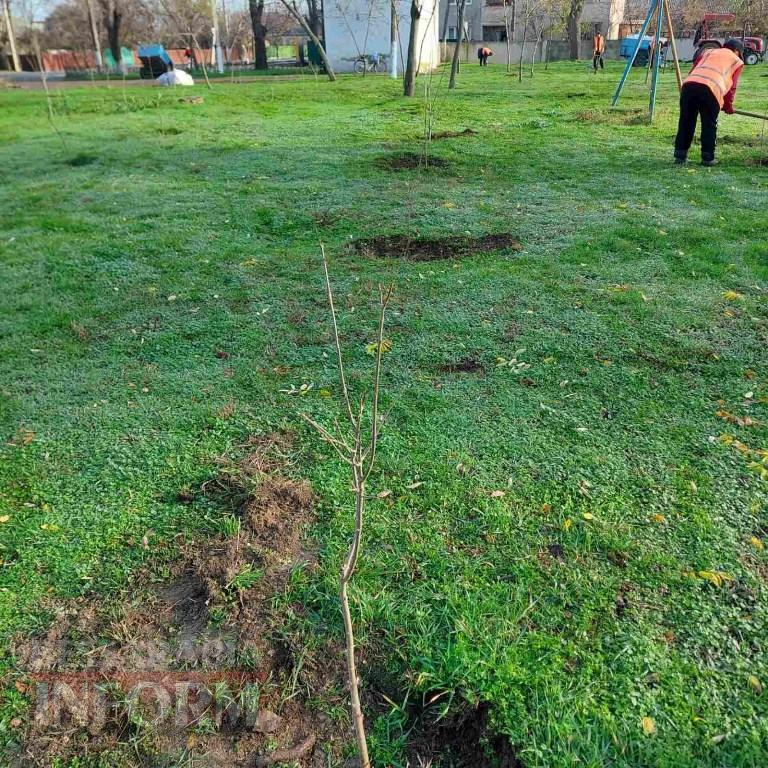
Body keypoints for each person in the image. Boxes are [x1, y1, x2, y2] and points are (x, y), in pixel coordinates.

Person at [673, 39, 744, 167]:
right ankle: (707, 158)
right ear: (737, 51)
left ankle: (680, 155)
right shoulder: (736, 60)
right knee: (709, 124)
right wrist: (728, 106)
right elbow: (732, 87)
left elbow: (694, 69)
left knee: (686, 121)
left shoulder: (708, 52)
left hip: (689, 85)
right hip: (711, 89)